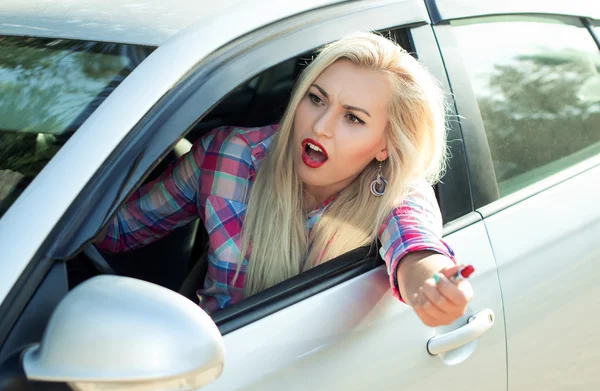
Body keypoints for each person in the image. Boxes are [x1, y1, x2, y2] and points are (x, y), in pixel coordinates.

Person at [96, 32, 473, 327]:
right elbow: (114, 230)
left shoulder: (397, 193)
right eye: (316, 98)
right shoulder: (231, 155)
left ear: (385, 146)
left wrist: (433, 286)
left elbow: (415, 246)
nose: (320, 125)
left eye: (353, 118)